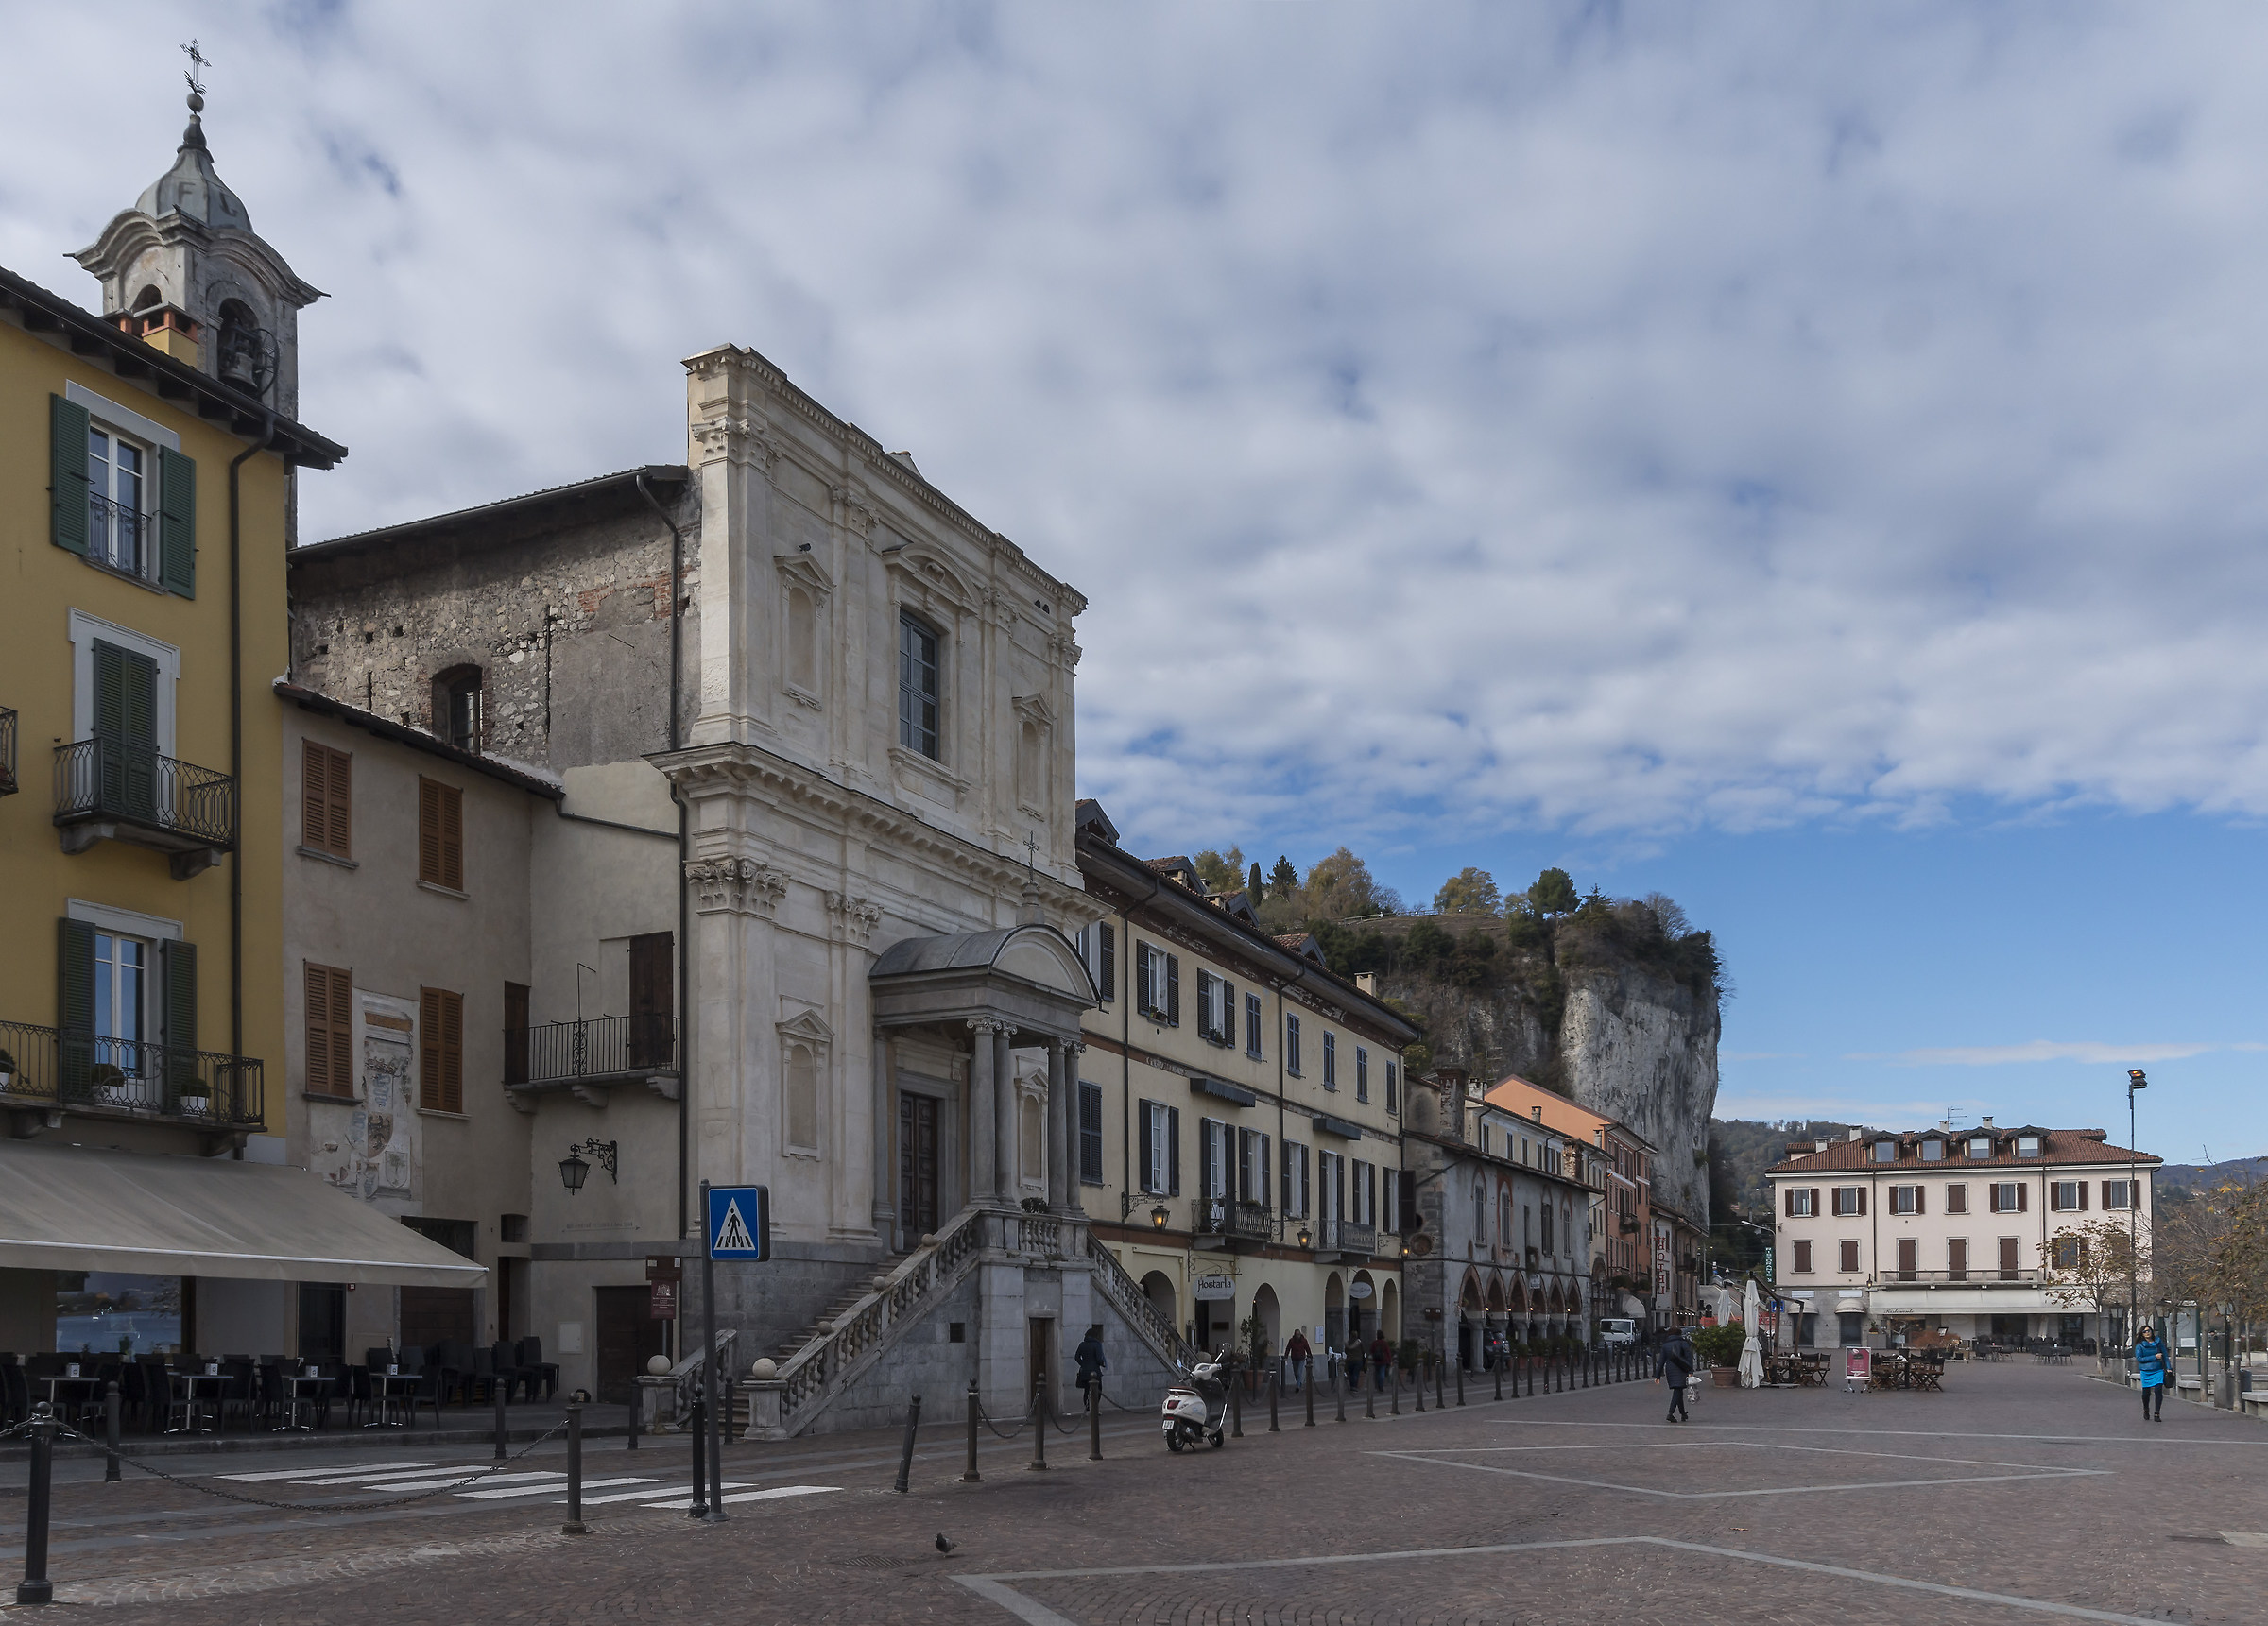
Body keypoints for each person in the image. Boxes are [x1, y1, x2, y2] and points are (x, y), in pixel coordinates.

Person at [1656, 1325, 1697, 1424]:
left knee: (1678, 1391)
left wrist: (1657, 1375)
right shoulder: (1683, 1343)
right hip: (1681, 1369)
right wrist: (1690, 1371)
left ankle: (1683, 1413)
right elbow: (1688, 1357)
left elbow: (1661, 1361)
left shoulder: (1665, 1345)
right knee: (1678, 1390)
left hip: (1670, 1370)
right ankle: (1670, 1413)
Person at [2135, 1324, 2169, 1422]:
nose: (2147, 1333)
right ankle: (2146, 1410)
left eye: (2148, 1330)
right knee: (2146, 1393)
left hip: (2158, 1370)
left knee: (2158, 1390)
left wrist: (2169, 1368)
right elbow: (2139, 1358)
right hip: (2146, 1371)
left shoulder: (2158, 1342)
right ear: (2142, 1334)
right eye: (2144, 1331)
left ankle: (2157, 1413)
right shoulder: (2140, 1345)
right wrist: (2154, 1357)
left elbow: (2165, 1355)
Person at [1074, 1324, 1107, 1408]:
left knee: (1087, 1390)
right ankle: (1095, 1408)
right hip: (1095, 1371)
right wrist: (1102, 1363)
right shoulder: (1097, 1344)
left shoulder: (1082, 1344)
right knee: (1098, 1389)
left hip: (1085, 1371)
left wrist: (1083, 1364)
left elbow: (1076, 1357)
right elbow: (1099, 1359)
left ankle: (1087, 1407)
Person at [1283, 1328, 1312, 1394]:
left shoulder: (1304, 1341)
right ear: (1294, 1335)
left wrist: (1310, 1355)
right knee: (1296, 1373)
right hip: (1294, 1358)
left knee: (1299, 1372)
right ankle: (1299, 1384)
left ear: (1300, 1334)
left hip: (1301, 1358)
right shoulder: (1291, 1341)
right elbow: (1288, 1349)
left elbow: (1307, 1348)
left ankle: (1298, 1387)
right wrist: (1286, 1357)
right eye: (1296, 1335)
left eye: (1299, 1334)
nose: (1298, 1336)